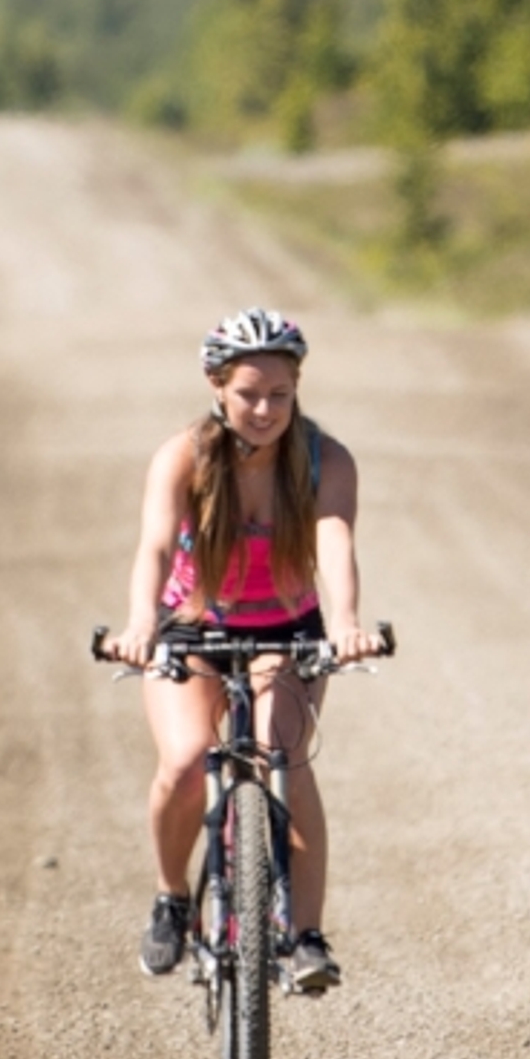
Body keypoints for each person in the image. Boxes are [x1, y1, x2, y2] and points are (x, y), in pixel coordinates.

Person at [97, 304, 384, 992]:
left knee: (283, 755)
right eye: (249, 393)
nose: (264, 409)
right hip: (195, 628)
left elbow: (334, 539)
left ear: (298, 389)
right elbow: (157, 546)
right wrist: (139, 625)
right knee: (189, 759)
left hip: (286, 630)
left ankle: (306, 936)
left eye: (279, 395)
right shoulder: (185, 456)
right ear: (216, 386)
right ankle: (172, 898)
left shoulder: (324, 459)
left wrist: (346, 621)